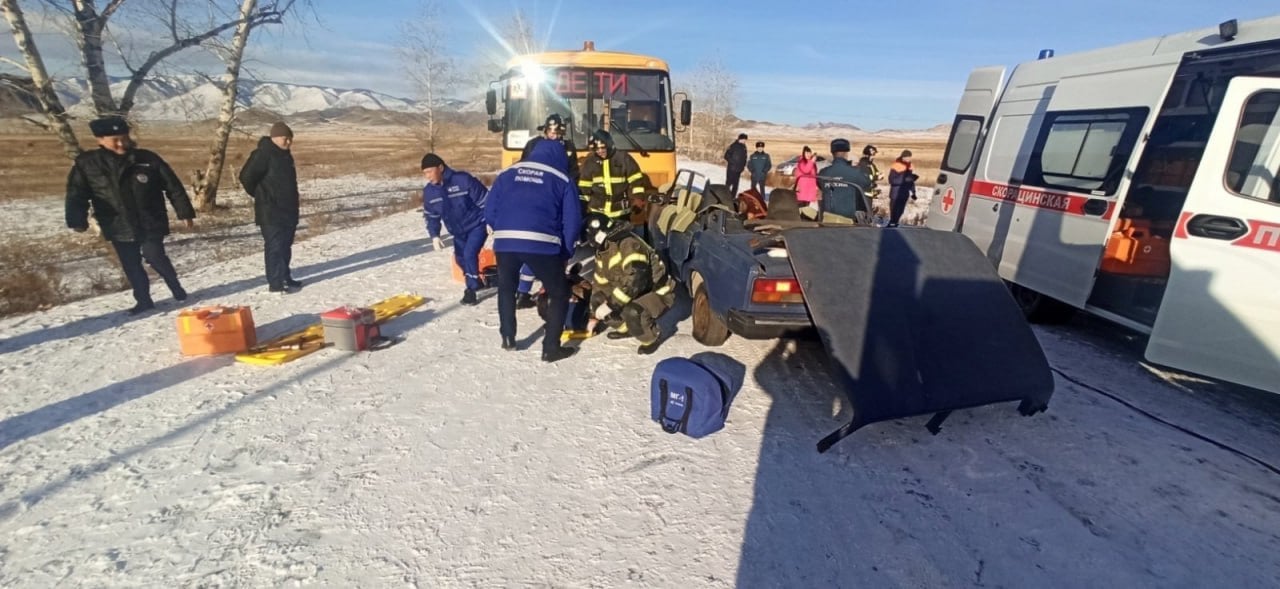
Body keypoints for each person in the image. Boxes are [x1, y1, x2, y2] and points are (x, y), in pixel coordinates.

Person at [65, 116, 195, 315]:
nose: (120, 143)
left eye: (123, 138)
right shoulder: (88, 164)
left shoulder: (147, 159)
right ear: (100, 140)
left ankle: (176, 288)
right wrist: (77, 220)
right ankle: (143, 300)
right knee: (131, 263)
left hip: (150, 218)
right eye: (114, 139)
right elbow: (76, 194)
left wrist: (184, 212)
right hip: (117, 223)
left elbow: (172, 186)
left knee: (155, 255)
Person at [485, 138, 583, 363]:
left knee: (506, 288)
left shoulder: (508, 173)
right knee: (559, 292)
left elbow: (490, 211)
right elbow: (573, 221)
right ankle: (551, 348)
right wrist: (565, 252)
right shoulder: (562, 179)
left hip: (505, 242)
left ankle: (508, 337)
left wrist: (502, 231)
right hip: (541, 243)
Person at [584, 213, 676, 355]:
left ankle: (650, 338)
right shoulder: (604, 251)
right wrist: (594, 314)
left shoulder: (628, 243)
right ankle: (627, 329)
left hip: (657, 292)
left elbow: (637, 280)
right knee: (597, 299)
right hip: (631, 291)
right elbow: (599, 283)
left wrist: (611, 304)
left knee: (632, 311)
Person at [239, 122, 301, 293]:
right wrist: (261, 195)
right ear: (274, 138)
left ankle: (285, 276)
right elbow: (246, 177)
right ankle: (275, 283)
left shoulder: (286, 155)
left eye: (290, 138)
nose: (288, 142)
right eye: (285, 138)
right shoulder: (263, 154)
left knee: (285, 246)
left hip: (288, 208)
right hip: (270, 210)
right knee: (274, 247)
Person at [419, 152, 489, 305]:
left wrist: (491, 222)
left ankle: (471, 291)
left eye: (430, 171)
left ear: (441, 168)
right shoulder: (429, 192)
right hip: (457, 231)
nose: (428, 176)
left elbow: (485, 200)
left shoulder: (462, 180)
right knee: (460, 259)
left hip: (477, 224)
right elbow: (431, 216)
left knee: (470, 253)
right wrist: (434, 235)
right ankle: (475, 280)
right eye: (425, 173)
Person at [577, 130, 651, 225]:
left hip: (621, 214)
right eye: (596, 149)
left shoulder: (624, 158)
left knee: (622, 238)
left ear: (609, 145)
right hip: (597, 213)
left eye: (602, 148)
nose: (600, 151)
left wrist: (638, 199)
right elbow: (584, 187)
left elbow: (637, 181)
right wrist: (582, 206)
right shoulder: (590, 162)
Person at [819, 138, 874, 224]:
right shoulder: (855, 172)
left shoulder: (823, 173)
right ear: (846, 153)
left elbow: (820, 185)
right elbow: (867, 183)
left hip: (827, 221)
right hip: (848, 223)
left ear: (832, 153)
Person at [887, 149, 920, 227]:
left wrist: (913, 192)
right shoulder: (896, 165)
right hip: (896, 192)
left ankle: (895, 224)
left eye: (910, 157)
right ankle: (891, 224)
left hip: (905, 193)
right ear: (903, 157)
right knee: (894, 210)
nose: (909, 159)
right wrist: (904, 179)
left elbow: (910, 181)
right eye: (907, 157)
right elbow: (891, 180)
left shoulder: (910, 166)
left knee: (901, 211)